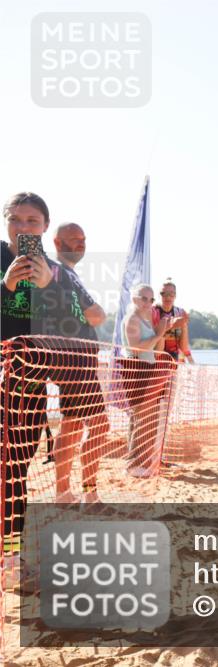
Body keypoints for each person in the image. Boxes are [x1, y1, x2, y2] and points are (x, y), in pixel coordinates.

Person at [0, 192, 80, 577]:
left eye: (32, 221)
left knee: (16, 475)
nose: (23, 228)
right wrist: (6, 287)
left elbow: (75, 329)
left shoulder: (57, 272)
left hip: (29, 388)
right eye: (15, 220)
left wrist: (49, 289)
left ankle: (11, 557)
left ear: (46, 227)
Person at [50, 222, 111, 504]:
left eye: (83, 239)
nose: (81, 243)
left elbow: (92, 314)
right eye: (74, 239)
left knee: (78, 424)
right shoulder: (57, 270)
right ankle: (78, 492)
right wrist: (95, 312)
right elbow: (95, 315)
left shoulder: (69, 274)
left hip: (81, 359)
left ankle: (72, 492)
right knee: (92, 424)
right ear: (57, 242)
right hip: (72, 359)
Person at [121, 283, 179, 477]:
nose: (148, 302)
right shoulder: (132, 319)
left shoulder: (143, 319)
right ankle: (134, 465)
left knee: (147, 419)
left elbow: (158, 349)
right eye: (144, 298)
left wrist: (162, 330)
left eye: (151, 299)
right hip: (136, 370)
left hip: (147, 369)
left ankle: (141, 463)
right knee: (142, 419)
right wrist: (159, 333)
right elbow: (136, 348)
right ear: (134, 299)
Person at [153, 278, 194, 364]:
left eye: (171, 294)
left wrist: (183, 325)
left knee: (188, 362)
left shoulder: (180, 312)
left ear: (175, 296)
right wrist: (170, 325)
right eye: (163, 293)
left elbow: (184, 347)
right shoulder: (154, 311)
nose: (167, 297)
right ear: (159, 295)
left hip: (176, 359)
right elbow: (153, 340)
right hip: (158, 357)